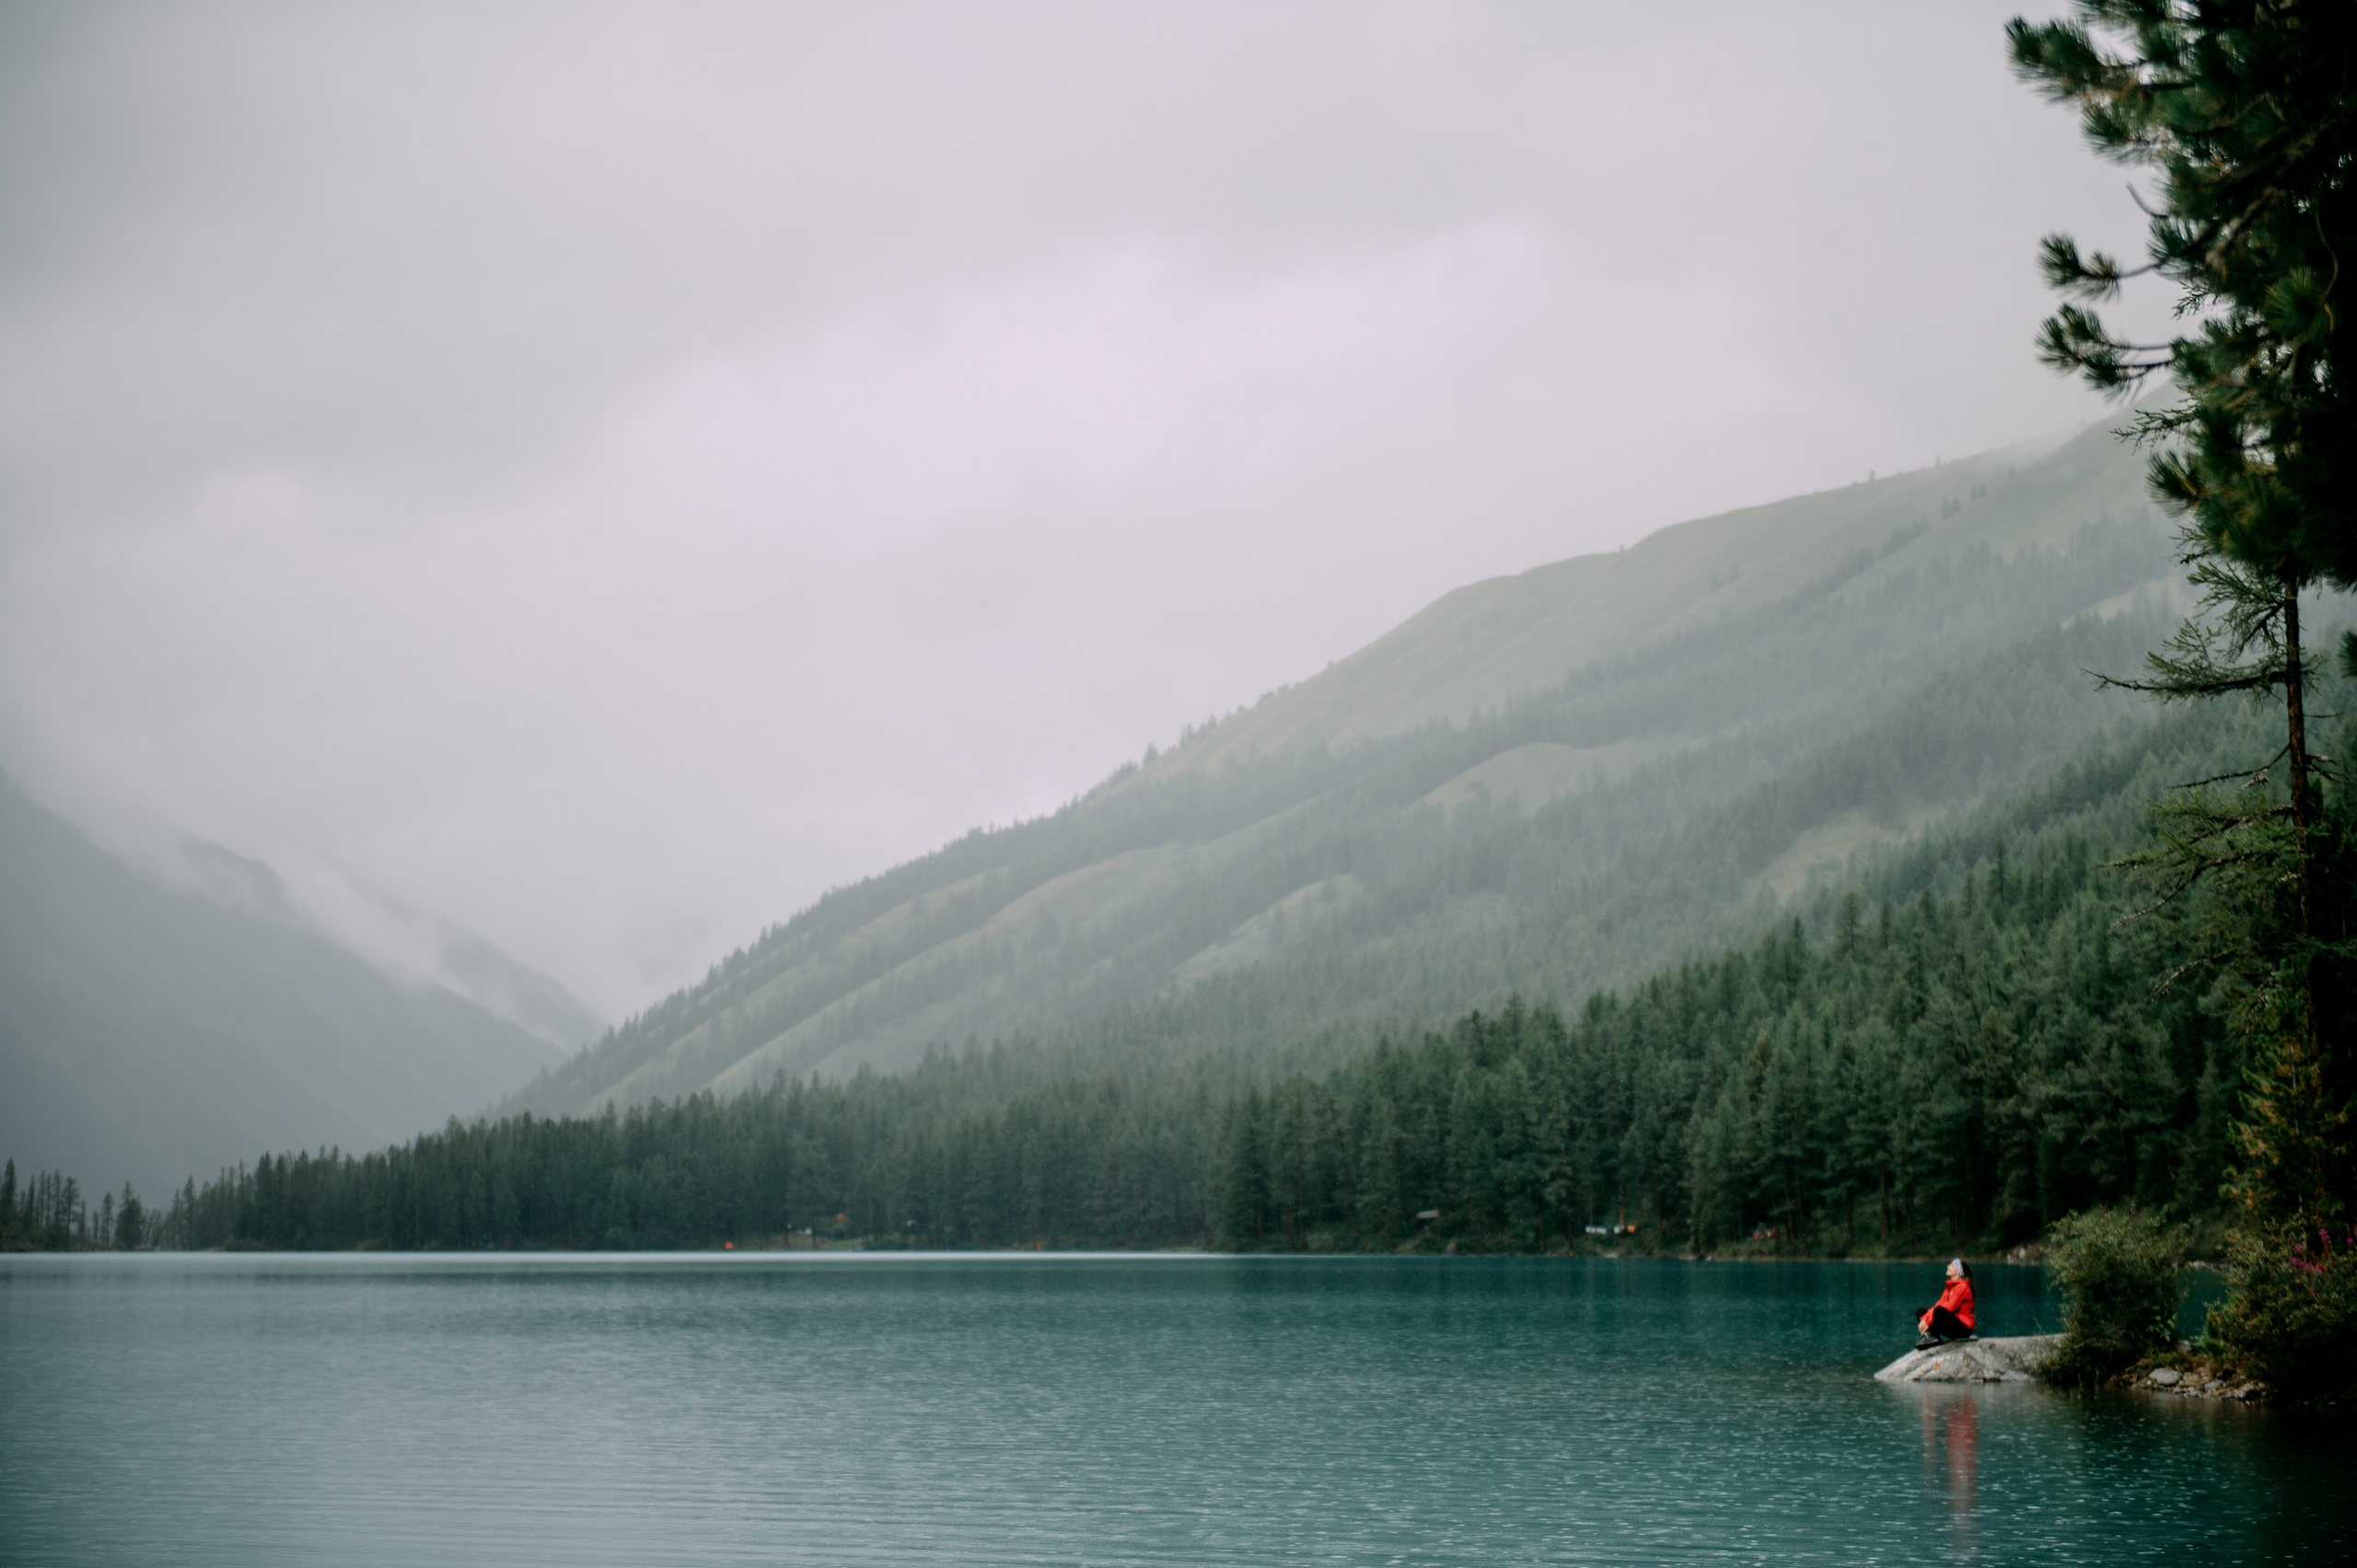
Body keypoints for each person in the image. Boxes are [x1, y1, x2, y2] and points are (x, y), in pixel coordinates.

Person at [1915, 1259, 1975, 1348]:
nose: (1948, 1266)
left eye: (1952, 1266)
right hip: (1954, 1325)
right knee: (1920, 1312)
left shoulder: (1963, 1287)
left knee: (1938, 1311)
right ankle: (1931, 1337)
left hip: (1964, 1329)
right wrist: (1924, 1318)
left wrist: (1927, 1320)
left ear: (1958, 1272)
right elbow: (1938, 1306)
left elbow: (1949, 1308)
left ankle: (1932, 1336)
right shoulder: (1950, 1287)